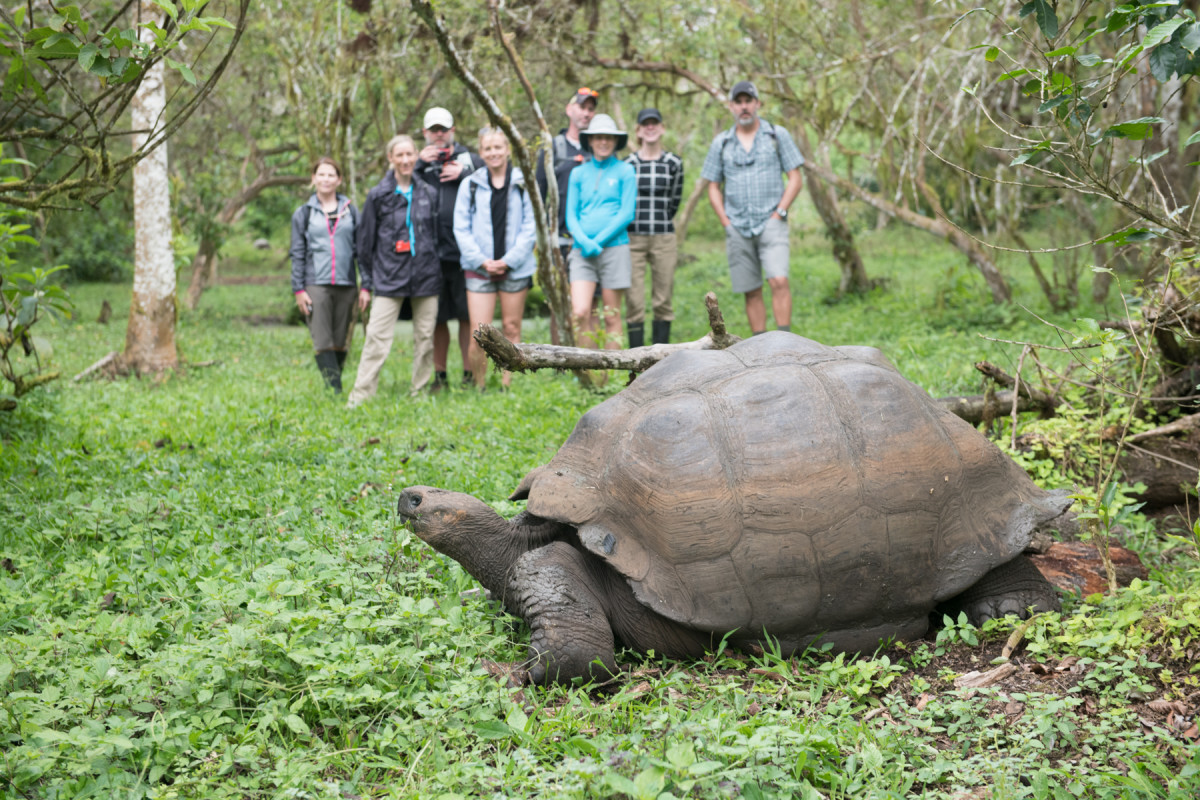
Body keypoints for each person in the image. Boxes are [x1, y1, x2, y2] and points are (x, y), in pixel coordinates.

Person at [701, 80, 804, 335]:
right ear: (731, 107)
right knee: (751, 289)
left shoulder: (776, 135)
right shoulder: (721, 143)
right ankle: (761, 348)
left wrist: (779, 212)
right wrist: (725, 221)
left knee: (779, 280)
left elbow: (796, 177)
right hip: (737, 225)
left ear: (758, 104)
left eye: (748, 101)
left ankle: (784, 341)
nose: (744, 106)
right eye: (739, 102)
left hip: (772, 221)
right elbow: (712, 186)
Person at [347, 135, 441, 405]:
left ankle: (419, 392)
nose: (405, 160)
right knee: (376, 338)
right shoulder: (378, 195)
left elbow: (435, 237)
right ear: (391, 158)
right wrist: (367, 282)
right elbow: (364, 245)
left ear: (416, 156)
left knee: (425, 338)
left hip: (425, 277)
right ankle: (361, 396)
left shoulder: (428, 193)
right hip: (388, 277)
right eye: (399, 155)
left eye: (409, 154)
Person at [453, 128, 536, 390]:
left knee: (512, 327)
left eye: (498, 147)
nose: (494, 153)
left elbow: (530, 227)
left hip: (516, 267)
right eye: (488, 148)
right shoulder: (471, 184)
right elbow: (461, 227)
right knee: (480, 332)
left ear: (508, 149)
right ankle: (480, 386)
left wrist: (509, 260)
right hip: (479, 269)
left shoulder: (524, 182)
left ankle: (507, 385)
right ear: (481, 153)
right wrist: (481, 260)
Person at [414, 107, 484, 390]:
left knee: (466, 317)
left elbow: (494, 175)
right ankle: (440, 376)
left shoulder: (470, 158)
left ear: (453, 130)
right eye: (434, 130)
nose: (439, 134)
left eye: (444, 129)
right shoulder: (419, 163)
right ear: (425, 133)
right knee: (437, 318)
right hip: (431, 254)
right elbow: (400, 184)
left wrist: (466, 172)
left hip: (465, 253)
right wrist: (419, 164)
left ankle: (469, 375)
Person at [565, 113, 637, 350]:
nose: (603, 142)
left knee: (611, 315)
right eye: (598, 137)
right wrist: (585, 242)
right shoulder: (578, 173)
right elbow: (570, 215)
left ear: (615, 141)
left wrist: (599, 241)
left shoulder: (625, 171)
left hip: (615, 249)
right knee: (581, 311)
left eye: (608, 137)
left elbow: (626, 213)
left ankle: (613, 376)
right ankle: (589, 373)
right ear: (590, 141)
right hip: (581, 251)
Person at [289, 157, 359, 392]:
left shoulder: (350, 211)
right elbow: (297, 252)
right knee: (322, 339)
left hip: (346, 283)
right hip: (315, 284)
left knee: (340, 340)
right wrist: (298, 289)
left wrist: (366, 285)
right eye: (321, 174)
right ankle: (335, 390)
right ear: (313, 178)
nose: (326, 179)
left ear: (339, 180)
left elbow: (361, 250)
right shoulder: (304, 213)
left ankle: (335, 385)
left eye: (331, 175)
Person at [624, 108, 684, 347]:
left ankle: (661, 360)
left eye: (654, 124)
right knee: (634, 302)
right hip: (632, 239)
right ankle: (636, 360)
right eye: (645, 124)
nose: (650, 128)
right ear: (638, 131)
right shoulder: (628, 163)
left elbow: (674, 200)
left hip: (663, 237)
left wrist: (660, 220)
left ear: (662, 128)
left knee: (663, 300)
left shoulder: (674, 163)